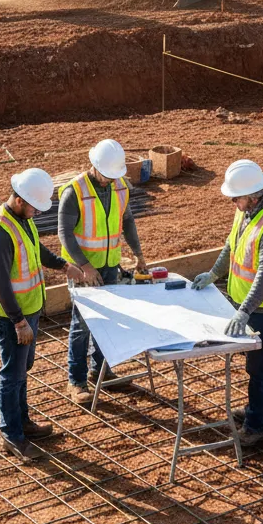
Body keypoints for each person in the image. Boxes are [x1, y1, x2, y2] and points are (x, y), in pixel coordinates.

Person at [0, 168, 85, 460]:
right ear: (21, 200)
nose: (38, 213)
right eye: (35, 207)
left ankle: (22, 422)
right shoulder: (0, 232)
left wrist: (64, 265)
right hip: (12, 316)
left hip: (29, 309)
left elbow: (36, 251)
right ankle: (11, 434)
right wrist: (19, 322)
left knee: (22, 369)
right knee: (12, 373)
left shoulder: (21, 220)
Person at [192, 159, 263, 448]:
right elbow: (231, 245)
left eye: (235, 197)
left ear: (251, 195)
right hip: (250, 304)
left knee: (258, 365)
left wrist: (245, 310)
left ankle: (257, 426)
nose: (232, 202)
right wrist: (214, 273)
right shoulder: (247, 213)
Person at [59, 138, 148, 403]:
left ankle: (101, 372)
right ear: (94, 166)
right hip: (83, 268)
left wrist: (139, 255)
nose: (110, 180)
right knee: (82, 323)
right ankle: (76, 381)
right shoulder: (74, 191)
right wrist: (84, 267)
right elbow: (64, 233)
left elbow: (128, 221)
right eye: (107, 175)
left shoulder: (120, 185)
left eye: (114, 175)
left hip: (110, 265)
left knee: (109, 321)